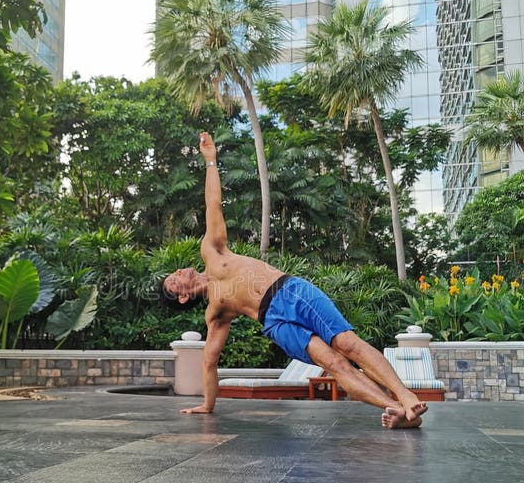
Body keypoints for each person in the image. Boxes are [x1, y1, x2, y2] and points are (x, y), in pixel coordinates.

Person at [159, 132, 428, 428]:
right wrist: (207, 407)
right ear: (182, 297)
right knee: (333, 363)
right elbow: (209, 362)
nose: (177, 273)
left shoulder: (211, 251)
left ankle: (405, 396)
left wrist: (210, 161)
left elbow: (214, 206)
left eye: (173, 273)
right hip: (275, 324)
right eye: (173, 281)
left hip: (291, 291)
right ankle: (397, 410)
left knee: (347, 343)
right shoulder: (216, 312)